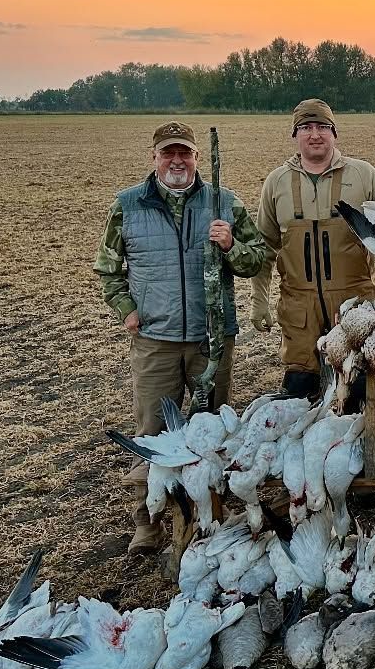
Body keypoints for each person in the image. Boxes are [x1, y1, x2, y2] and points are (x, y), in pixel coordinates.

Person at [94, 120, 268, 554]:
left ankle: (213, 510)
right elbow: (108, 268)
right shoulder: (128, 206)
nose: (178, 161)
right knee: (152, 433)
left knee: (215, 431)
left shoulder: (224, 202)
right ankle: (148, 522)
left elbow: (258, 259)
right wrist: (128, 312)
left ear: (194, 157)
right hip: (155, 340)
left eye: (185, 153)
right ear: (154, 158)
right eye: (169, 153)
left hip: (213, 339)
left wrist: (232, 246)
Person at [251, 98, 375, 403]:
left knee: (362, 392)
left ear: (334, 133)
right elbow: (264, 247)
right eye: (306, 127)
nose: (315, 134)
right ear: (295, 135)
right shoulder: (277, 182)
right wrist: (259, 300)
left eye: (323, 127)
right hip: (300, 311)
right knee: (300, 396)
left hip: (357, 308)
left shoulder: (363, 175)